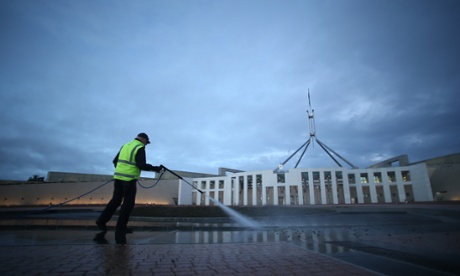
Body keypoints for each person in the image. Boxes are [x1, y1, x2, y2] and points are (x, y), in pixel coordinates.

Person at [96, 132, 162, 244]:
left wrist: (121, 171)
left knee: (115, 200)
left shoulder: (126, 145)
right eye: (146, 142)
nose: (146, 144)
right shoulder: (140, 147)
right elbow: (141, 165)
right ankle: (121, 227)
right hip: (129, 180)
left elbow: (115, 161)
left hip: (118, 178)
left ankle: (101, 220)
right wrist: (155, 168)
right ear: (143, 139)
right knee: (128, 204)